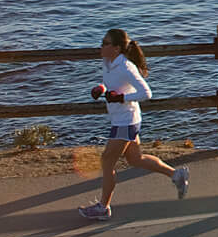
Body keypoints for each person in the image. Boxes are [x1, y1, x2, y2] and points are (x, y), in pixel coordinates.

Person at [78, 27, 189, 220]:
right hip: (122, 119)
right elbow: (112, 84)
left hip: (126, 121)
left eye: (105, 43)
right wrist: (101, 88)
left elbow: (146, 93)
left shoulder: (126, 67)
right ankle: (176, 175)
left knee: (106, 161)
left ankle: (103, 208)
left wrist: (122, 97)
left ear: (117, 48)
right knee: (135, 159)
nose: (101, 46)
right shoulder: (107, 62)